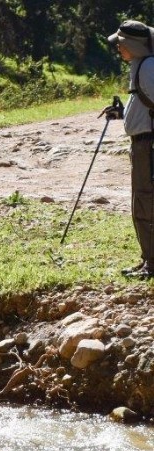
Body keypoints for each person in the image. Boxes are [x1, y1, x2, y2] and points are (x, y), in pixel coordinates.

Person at [109, 20, 154, 280]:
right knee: (143, 201)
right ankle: (148, 259)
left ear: (134, 45)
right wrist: (122, 113)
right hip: (144, 144)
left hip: (149, 145)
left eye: (121, 44)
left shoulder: (147, 67)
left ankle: (152, 263)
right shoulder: (142, 65)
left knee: (147, 202)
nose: (118, 48)